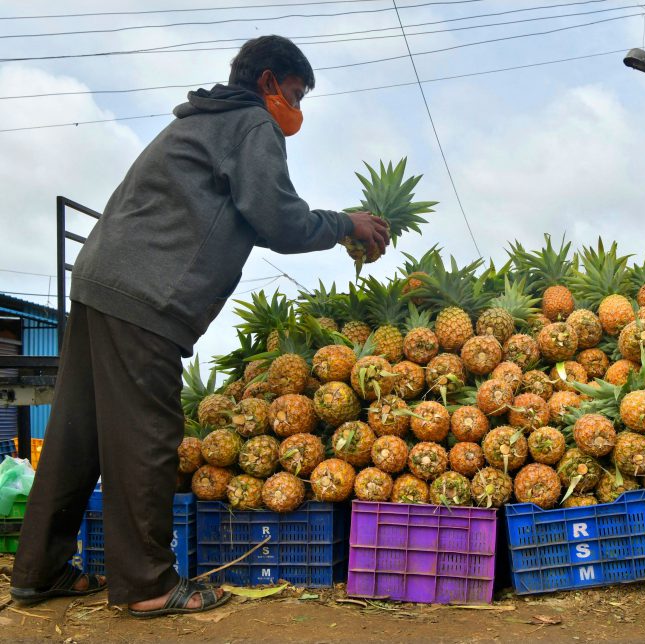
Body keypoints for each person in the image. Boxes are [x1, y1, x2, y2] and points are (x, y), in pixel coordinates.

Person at [11, 35, 388, 617]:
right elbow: (278, 220)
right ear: (267, 82)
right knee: (148, 437)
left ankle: (39, 572)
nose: (296, 110)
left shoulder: (203, 121)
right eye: (293, 94)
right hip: (146, 293)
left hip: (101, 278)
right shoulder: (250, 124)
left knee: (75, 435)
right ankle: (146, 587)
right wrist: (346, 224)